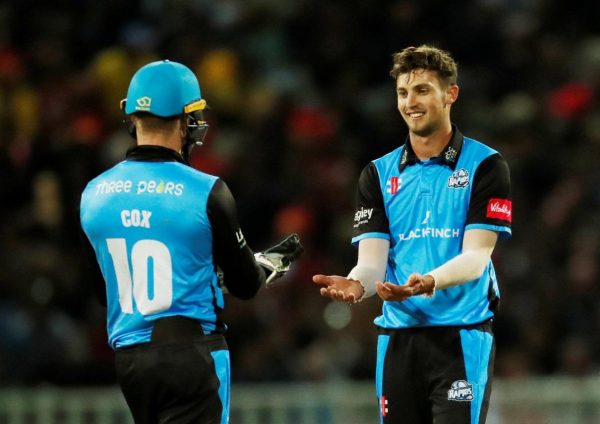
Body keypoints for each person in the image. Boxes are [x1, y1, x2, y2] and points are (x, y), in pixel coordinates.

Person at [80, 60, 303, 424]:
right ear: (185, 122)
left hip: (131, 361)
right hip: (192, 354)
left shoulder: (94, 193)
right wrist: (265, 265)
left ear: (132, 117)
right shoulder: (206, 190)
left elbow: (105, 291)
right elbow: (246, 285)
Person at [313, 45, 512, 423]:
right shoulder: (377, 173)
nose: (410, 102)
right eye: (403, 93)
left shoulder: (486, 165)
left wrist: (429, 281)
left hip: (460, 335)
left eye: (422, 90)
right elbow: (371, 264)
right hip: (397, 339)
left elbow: (476, 258)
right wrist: (356, 285)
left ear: (450, 94)